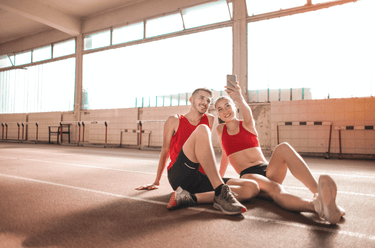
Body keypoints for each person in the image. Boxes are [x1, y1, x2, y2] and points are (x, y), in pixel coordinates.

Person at [214, 80, 345, 224]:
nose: (225, 111)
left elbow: (248, 113)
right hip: (249, 175)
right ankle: (318, 207)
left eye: (228, 105)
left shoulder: (247, 124)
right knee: (276, 188)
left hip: (267, 169)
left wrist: (239, 96)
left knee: (283, 147)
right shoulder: (220, 130)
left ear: (235, 107)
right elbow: (226, 154)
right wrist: (218, 180)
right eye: (220, 109)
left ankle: (319, 194)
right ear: (218, 114)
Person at [136, 87, 260, 215]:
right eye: (202, 98)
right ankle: (220, 189)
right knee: (202, 129)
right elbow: (165, 150)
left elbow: (203, 149)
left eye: (208, 100)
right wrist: (157, 181)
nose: (205, 102)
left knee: (252, 187)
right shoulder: (174, 120)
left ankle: (190, 198)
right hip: (179, 175)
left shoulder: (210, 119)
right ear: (191, 99)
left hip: (199, 177)